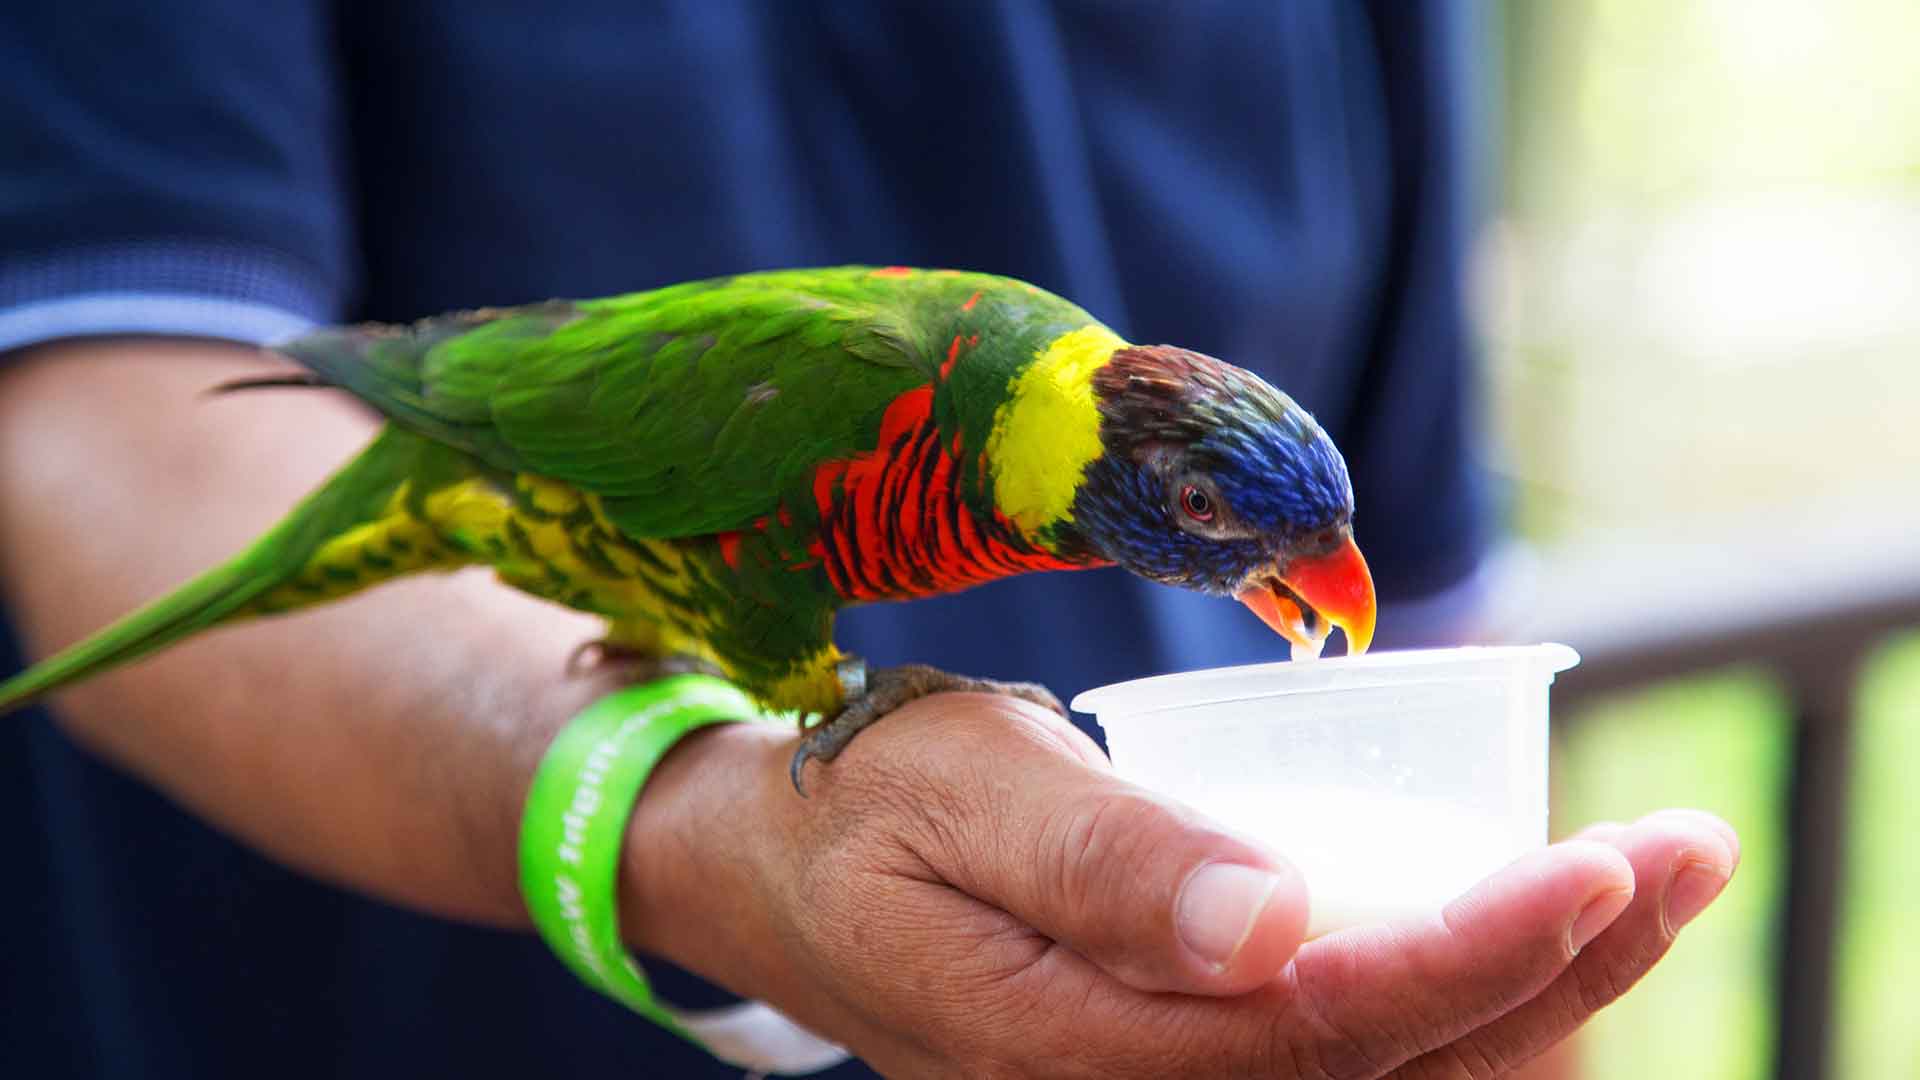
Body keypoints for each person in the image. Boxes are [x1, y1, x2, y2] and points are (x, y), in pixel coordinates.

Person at [0, 2, 1736, 1076]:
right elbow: (108, 410)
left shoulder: (1039, 436)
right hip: (349, 976)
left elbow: (1426, 617)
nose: (1264, 571)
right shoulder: (888, 412)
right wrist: (702, 807)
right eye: (1204, 516)